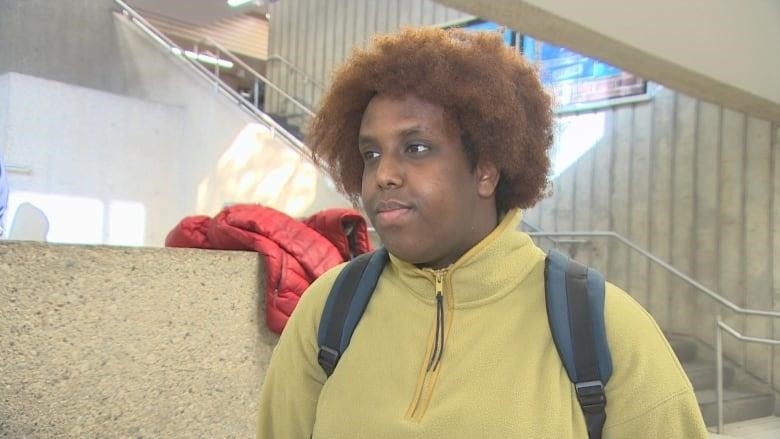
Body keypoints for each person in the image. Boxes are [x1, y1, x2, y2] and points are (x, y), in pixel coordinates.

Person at [257, 27, 708, 438]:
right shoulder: (329, 310)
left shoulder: (604, 327)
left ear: (486, 171)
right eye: (371, 154)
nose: (384, 175)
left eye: (416, 148)